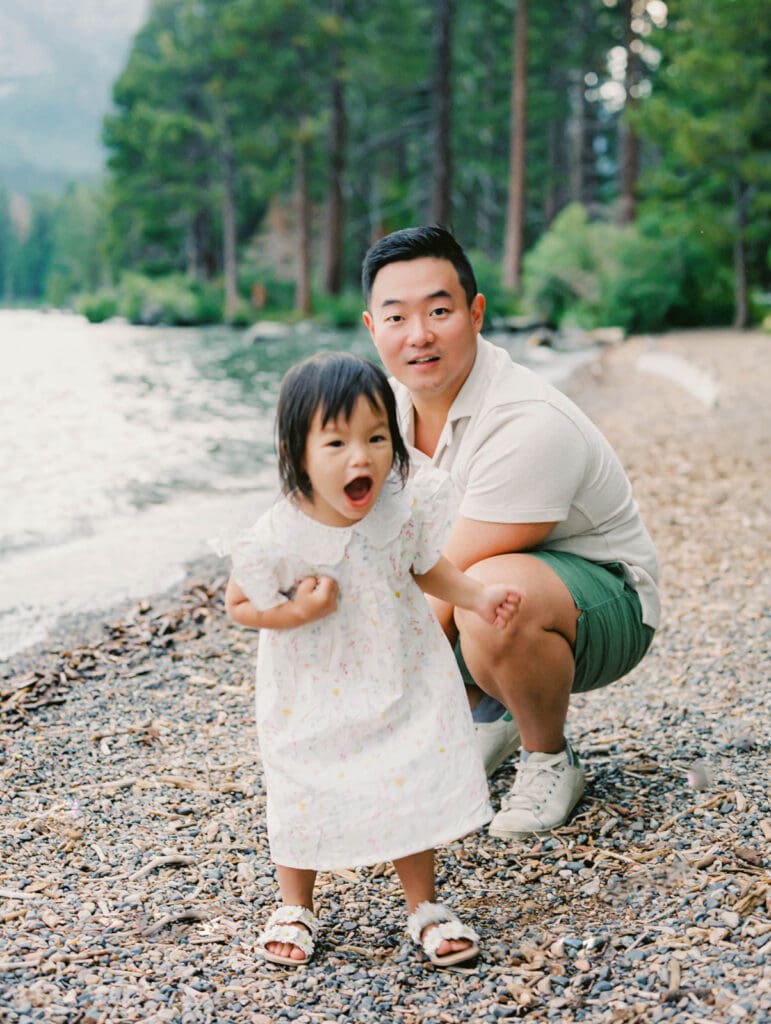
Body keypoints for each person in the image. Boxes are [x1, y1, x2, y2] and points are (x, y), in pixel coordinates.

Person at [361, 225, 660, 839]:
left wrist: (367, 720)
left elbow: (443, 587)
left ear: (475, 313)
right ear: (373, 329)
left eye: (439, 311)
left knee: (486, 594)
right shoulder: (382, 412)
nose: (418, 335)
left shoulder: (527, 420)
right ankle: (487, 714)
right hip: (478, 588)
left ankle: (549, 758)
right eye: (397, 318)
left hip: (606, 604)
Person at [224, 352, 520, 968]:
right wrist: (296, 613)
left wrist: (478, 595)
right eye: (336, 442)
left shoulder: (396, 507)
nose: (361, 457)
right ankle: (295, 903)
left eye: (377, 437)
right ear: (296, 451)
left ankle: (425, 906)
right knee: (304, 783)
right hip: (312, 687)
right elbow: (239, 604)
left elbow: (425, 567)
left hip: (399, 672)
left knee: (405, 774)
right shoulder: (281, 531)